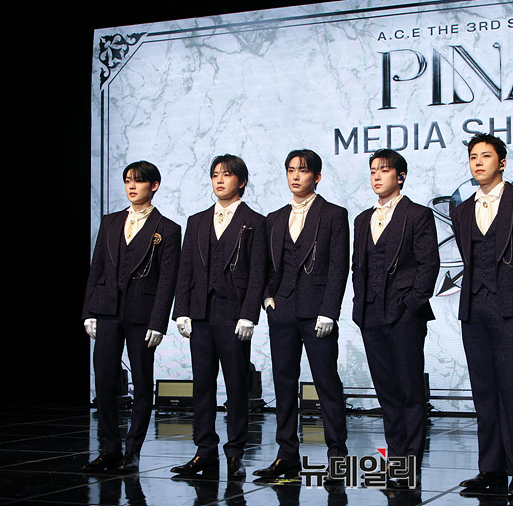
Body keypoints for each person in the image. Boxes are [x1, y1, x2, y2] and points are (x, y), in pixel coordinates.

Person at [451, 134, 513, 497]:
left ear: (503, 163)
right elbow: (468, 255)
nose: (478, 162)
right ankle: (491, 468)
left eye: (486, 156)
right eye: (473, 157)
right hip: (474, 307)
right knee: (483, 390)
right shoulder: (461, 210)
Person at [253, 149, 349, 479]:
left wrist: (329, 311)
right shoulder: (274, 218)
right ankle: (287, 455)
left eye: (303, 170)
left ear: (317, 177)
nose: (296, 176)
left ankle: (337, 456)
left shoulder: (334, 214)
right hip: (282, 311)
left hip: (317, 313)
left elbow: (338, 267)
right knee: (283, 384)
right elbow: (267, 264)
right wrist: (267, 297)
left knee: (327, 384)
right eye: (291, 170)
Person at [170, 154, 267, 478]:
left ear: (241, 181)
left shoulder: (255, 221)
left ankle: (235, 452)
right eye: (215, 175)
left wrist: (249, 314)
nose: (219, 180)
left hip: (233, 314)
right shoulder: (197, 221)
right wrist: (181, 310)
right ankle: (205, 451)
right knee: (202, 384)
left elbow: (258, 272)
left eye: (226, 175)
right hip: (200, 313)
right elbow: (185, 268)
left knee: (237, 385)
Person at [82, 160, 181, 473]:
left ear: (154, 186)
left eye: (138, 181)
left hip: (142, 315)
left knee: (141, 382)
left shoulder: (168, 229)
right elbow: (97, 268)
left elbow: (167, 280)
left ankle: (132, 451)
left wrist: (158, 322)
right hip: (107, 310)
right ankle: (109, 449)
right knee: (104, 381)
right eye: (128, 181)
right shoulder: (110, 222)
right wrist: (89, 311)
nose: (131, 186)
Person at [351, 149, 439, 488]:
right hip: (371, 313)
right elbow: (358, 267)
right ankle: (396, 458)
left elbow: (429, 264)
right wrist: (359, 305)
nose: (377, 176)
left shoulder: (417, 214)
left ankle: (409, 462)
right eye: (373, 170)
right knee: (386, 392)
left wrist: (412, 303)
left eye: (384, 170)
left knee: (409, 390)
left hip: (404, 314)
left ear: (400, 176)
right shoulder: (362, 219)